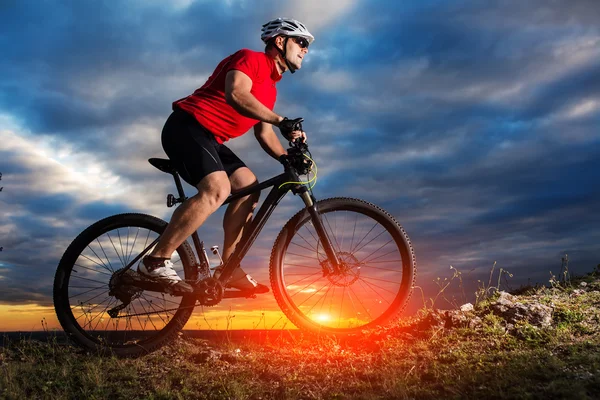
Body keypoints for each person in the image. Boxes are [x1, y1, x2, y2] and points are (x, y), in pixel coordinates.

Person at [138, 18, 314, 294]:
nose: (305, 49)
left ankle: (230, 267)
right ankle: (156, 260)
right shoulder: (250, 58)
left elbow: (264, 134)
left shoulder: (270, 88)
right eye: (301, 42)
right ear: (280, 41)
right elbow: (236, 94)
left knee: (248, 185)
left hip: (212, 139)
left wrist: (285, 157)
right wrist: (283, 120)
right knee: (217, 189)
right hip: (188, 125)